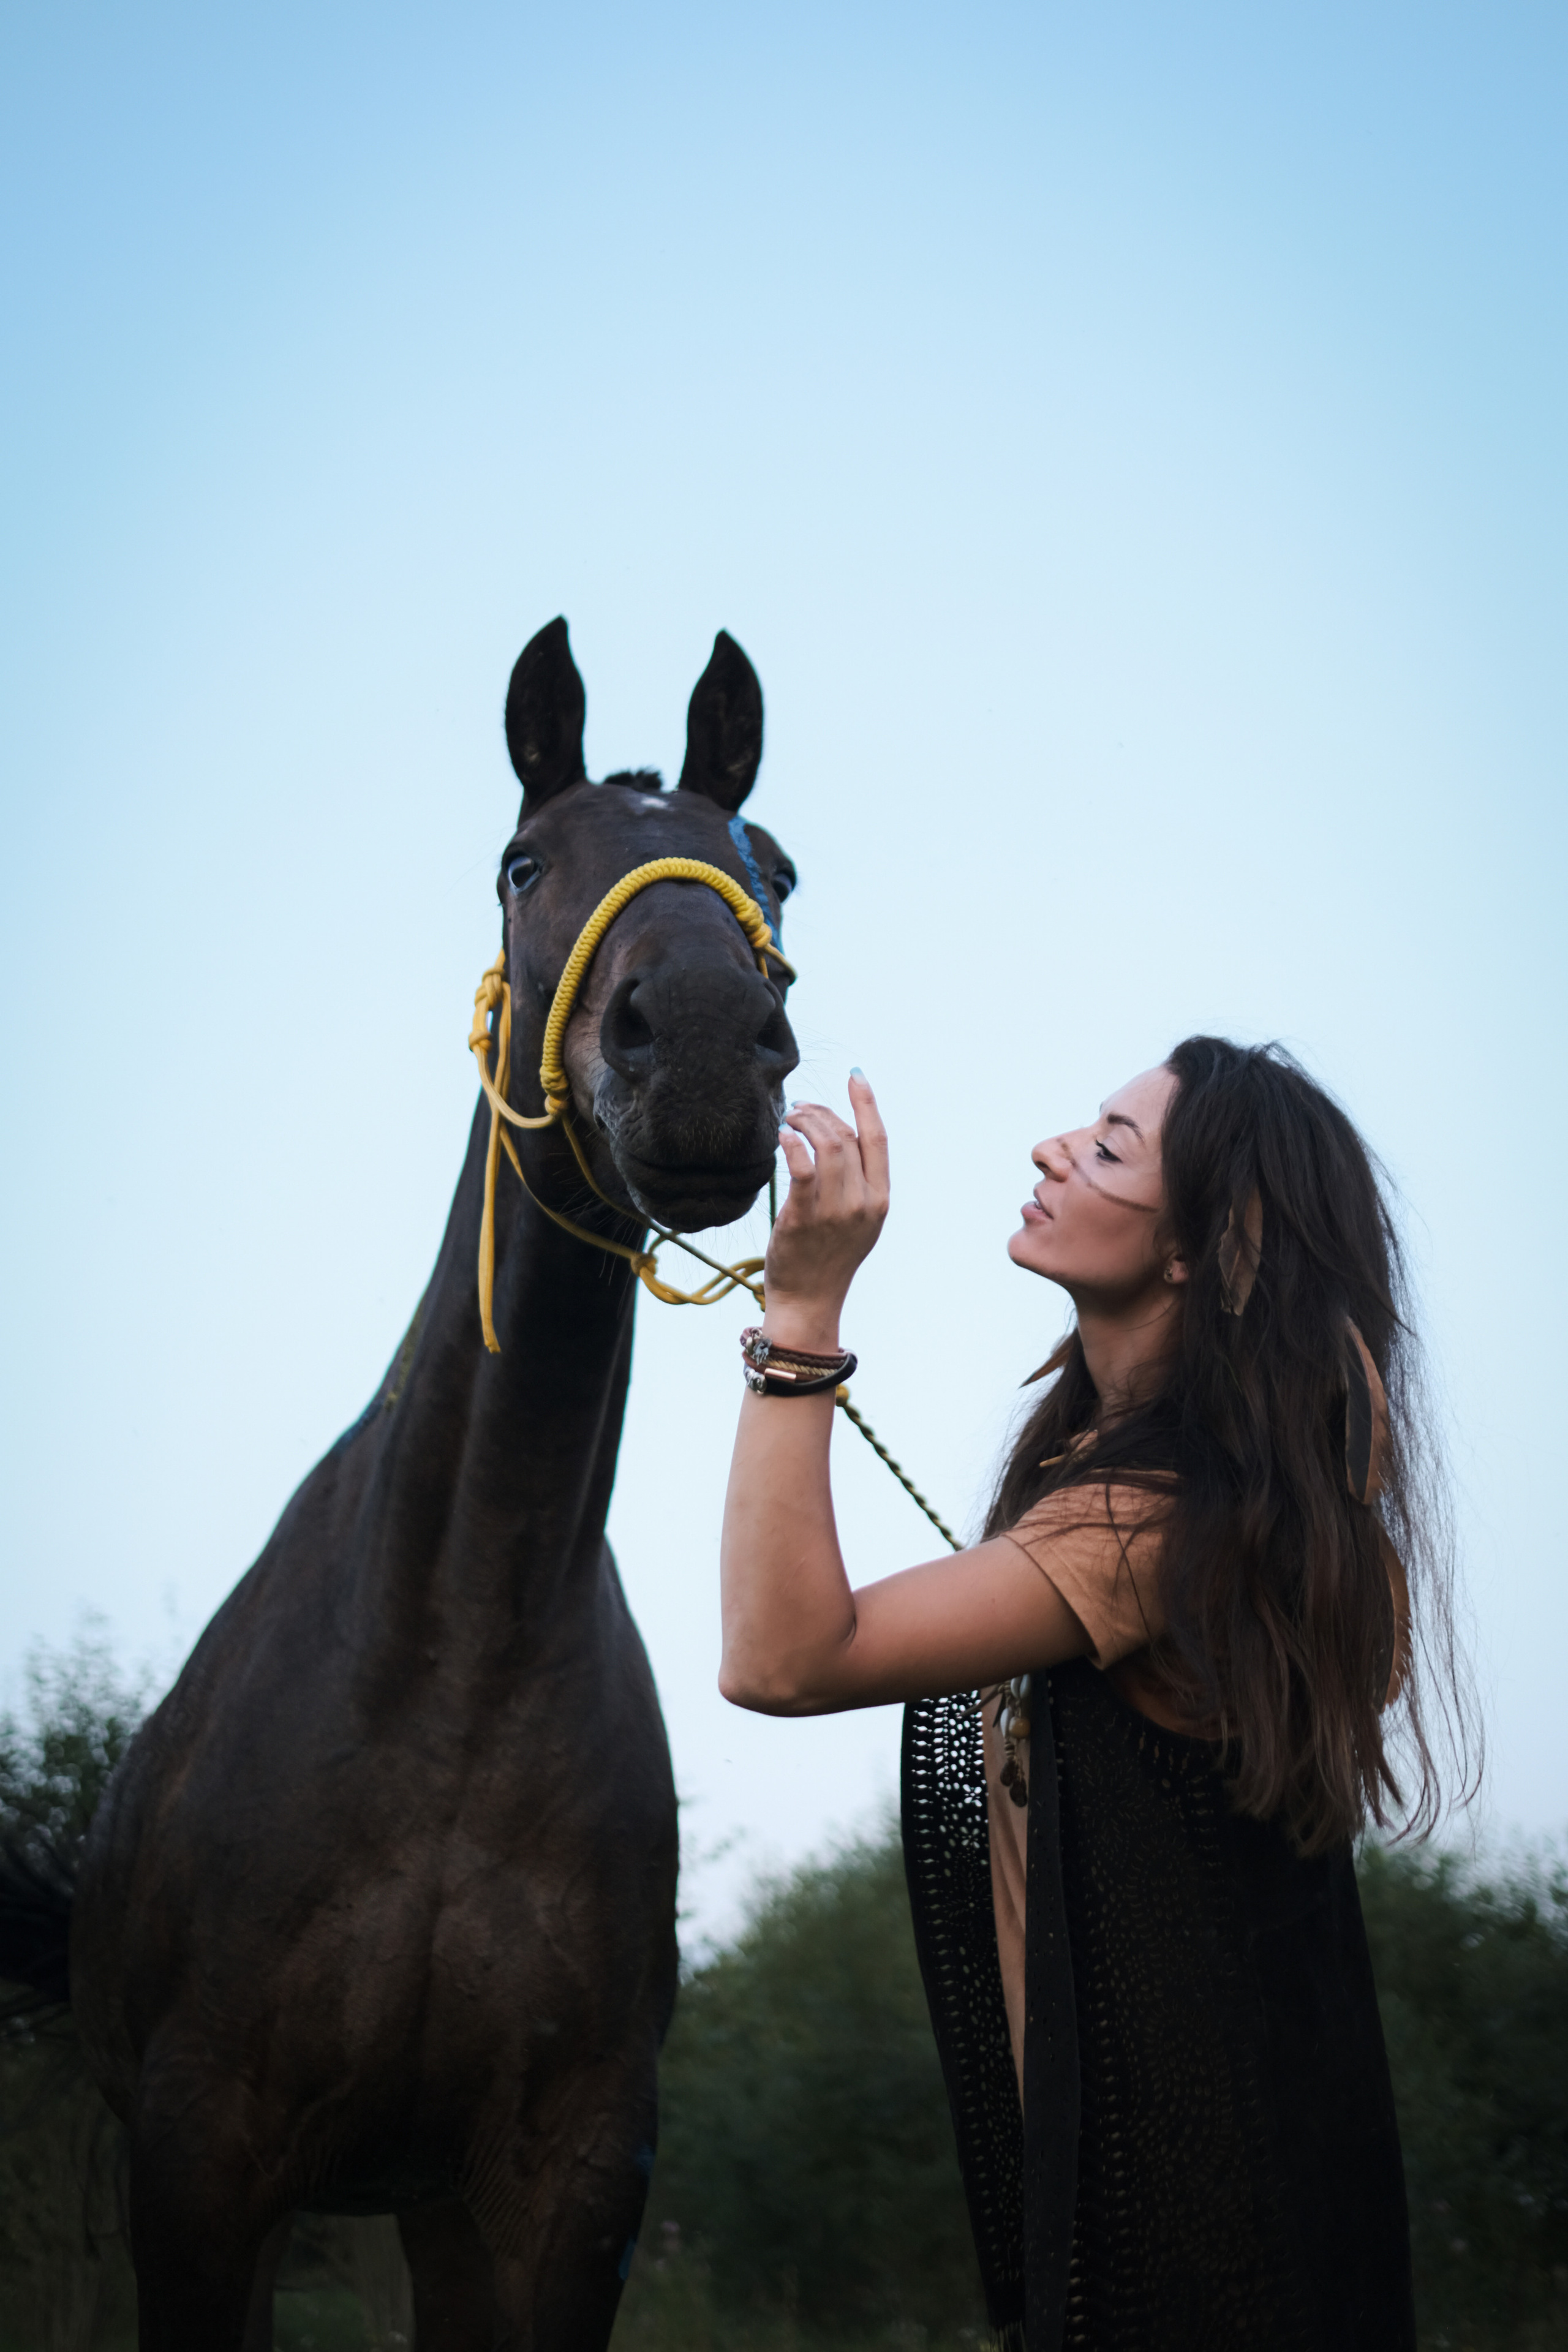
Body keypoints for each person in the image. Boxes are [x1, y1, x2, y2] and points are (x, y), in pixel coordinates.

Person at [719, 1038, 1470, 2352]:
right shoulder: (1196, 1507)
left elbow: (779, 1657)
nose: (1050, 1148)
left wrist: (800, 1321)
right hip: (1252, 2237)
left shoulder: (1160, 1524)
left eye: (1110, 1145)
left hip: (1192, 2265)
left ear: (1198, 1249)